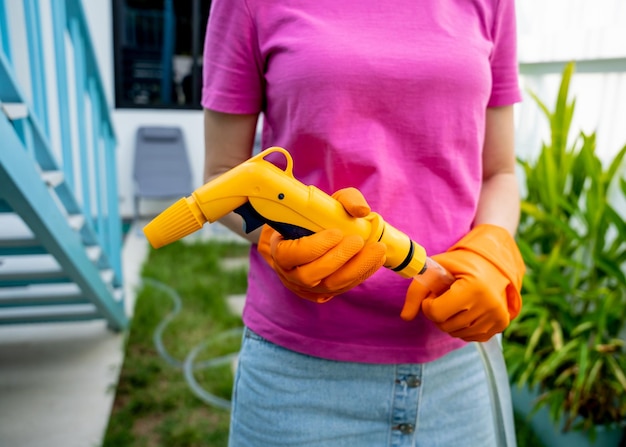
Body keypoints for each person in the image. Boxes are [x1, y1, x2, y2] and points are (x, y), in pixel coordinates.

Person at [201, 1, 526, 446]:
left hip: (457, 373)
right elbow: (222, 177)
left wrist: (491, 250)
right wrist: (280, 234)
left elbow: (500, 174)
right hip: (300, 380)